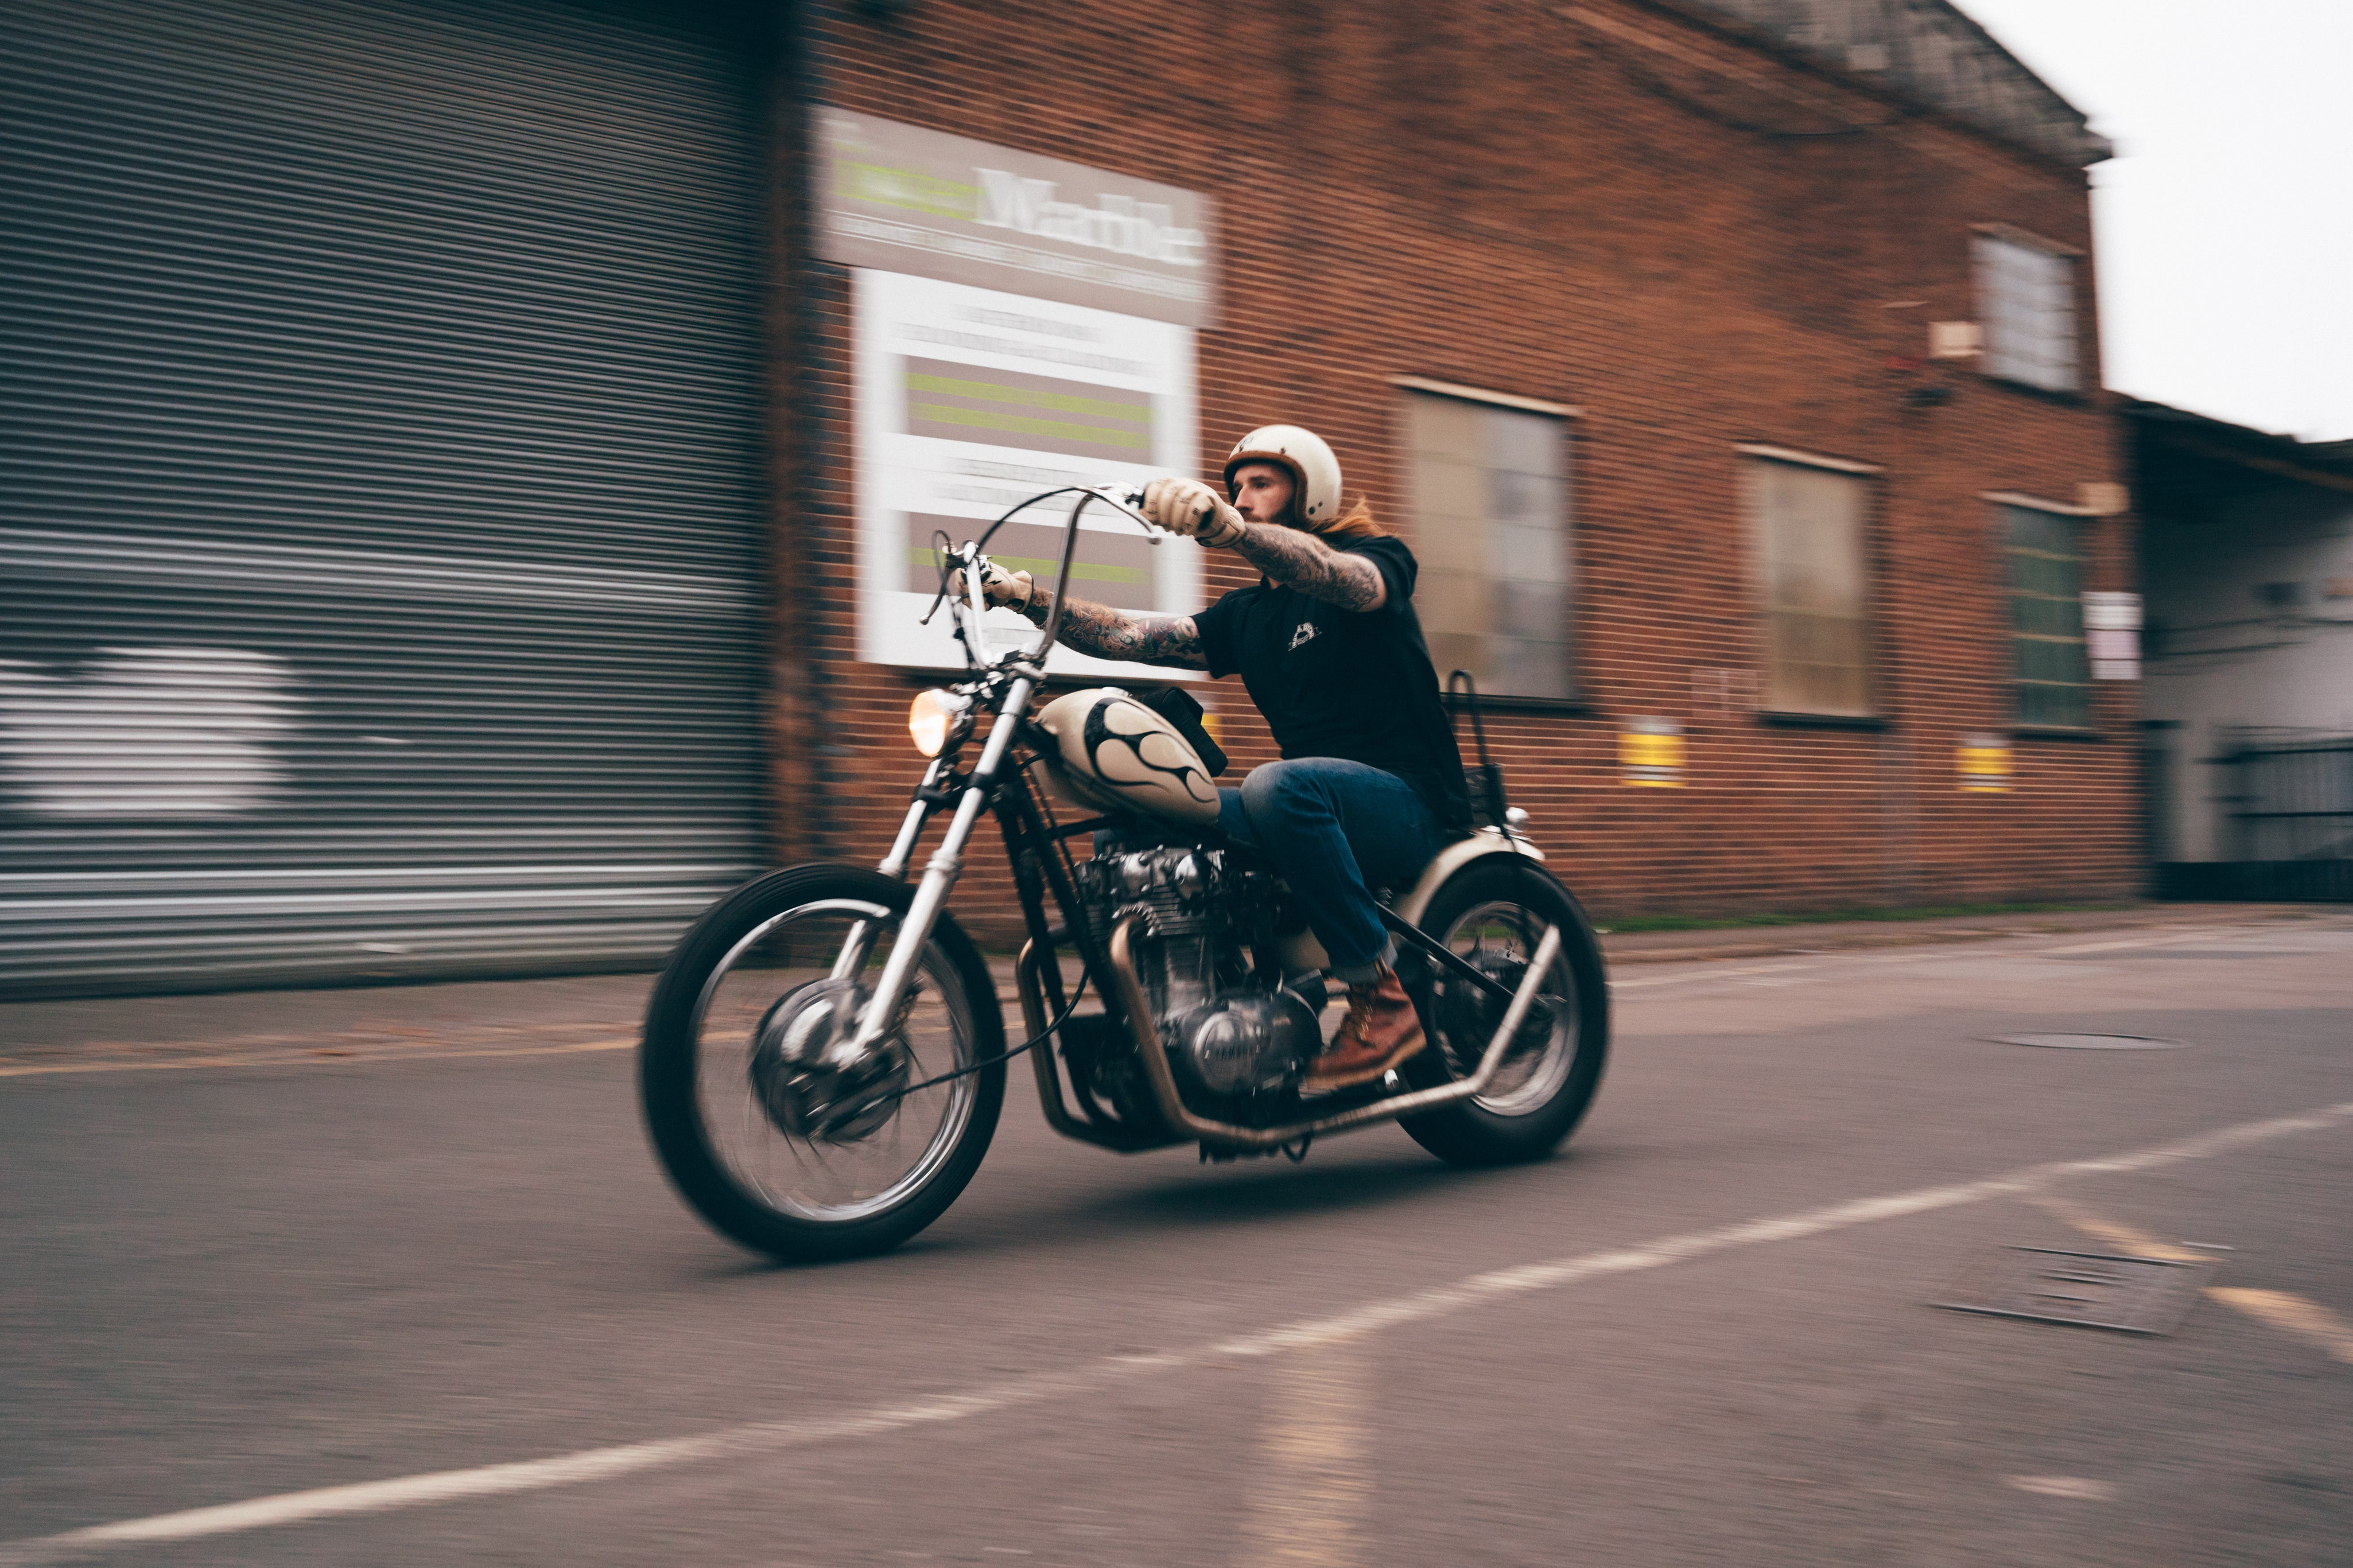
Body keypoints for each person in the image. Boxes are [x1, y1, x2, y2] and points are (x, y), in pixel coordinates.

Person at [974, 426, 1471, 1091]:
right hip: (1313, 804)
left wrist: (1228, 528)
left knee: (1276, 786)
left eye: (1260, 484)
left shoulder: (1373, 557)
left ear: (1311, 494)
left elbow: (1336, 577)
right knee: (1143, 809)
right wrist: (1026, 598)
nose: (1243, 496)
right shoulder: (1246, 615)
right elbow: (1128, 636)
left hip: (1407, 802)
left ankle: (1381, 998)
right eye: (1235, 488)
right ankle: (1198, 1007)